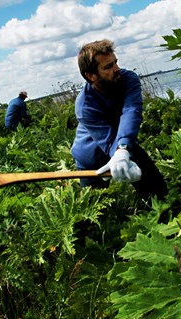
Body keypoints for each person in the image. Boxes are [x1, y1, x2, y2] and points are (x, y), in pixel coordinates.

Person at [71, 39, 167, 200]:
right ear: (91, 75)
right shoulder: (85, 105)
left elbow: (131, 110)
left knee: (157, 191)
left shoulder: (128, 79)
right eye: (108, 67)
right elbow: (108, 142)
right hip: (91, 157)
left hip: (123, 142)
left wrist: (122, 151)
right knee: (94, 207)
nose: (117, 69)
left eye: (115, 62)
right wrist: (120, 150)